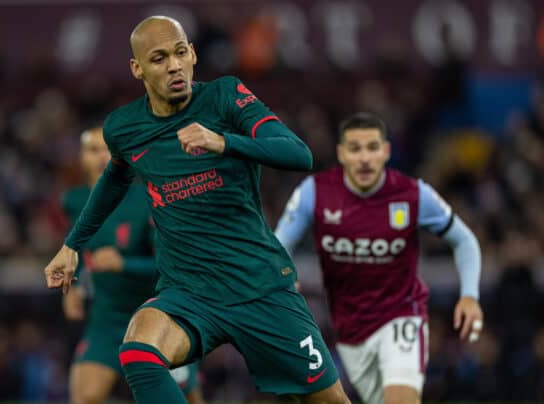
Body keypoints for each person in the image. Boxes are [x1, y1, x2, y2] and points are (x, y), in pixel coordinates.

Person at [44, 16, 350, 404]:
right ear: (137, 68)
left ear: (193, 54)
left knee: (330, 400)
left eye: (180, 52)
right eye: (158, 58)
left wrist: (224, 142)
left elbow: (298, 153)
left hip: (259, 286)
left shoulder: (224, 96)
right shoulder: (124, 128)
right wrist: (73, 245)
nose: (173, 65)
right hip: (189, 292)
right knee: (138, 348)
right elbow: (114, 179)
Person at [275, 112, 484, 404]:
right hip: (348, 330)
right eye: (355, 148)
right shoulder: (314, 193)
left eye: (372, 148)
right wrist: (284, 273)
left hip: (401, 318)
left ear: (386, 151)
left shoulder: (413, 194)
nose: (364, 158)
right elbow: (278, 245)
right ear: (341, 153)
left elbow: (465, 240)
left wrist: (470, 295)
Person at [61, 127, 203, 404]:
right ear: (82, 158)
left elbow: (171, 264)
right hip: (107, 318)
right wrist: (75, 286)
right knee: (85, 397)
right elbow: (77, 249)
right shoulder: (74, 201)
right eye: (93, 150)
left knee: (187, 400)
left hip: (157, 316)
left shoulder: (149, 198)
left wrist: (123, 263)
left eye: (108, 149)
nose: (101, 157)